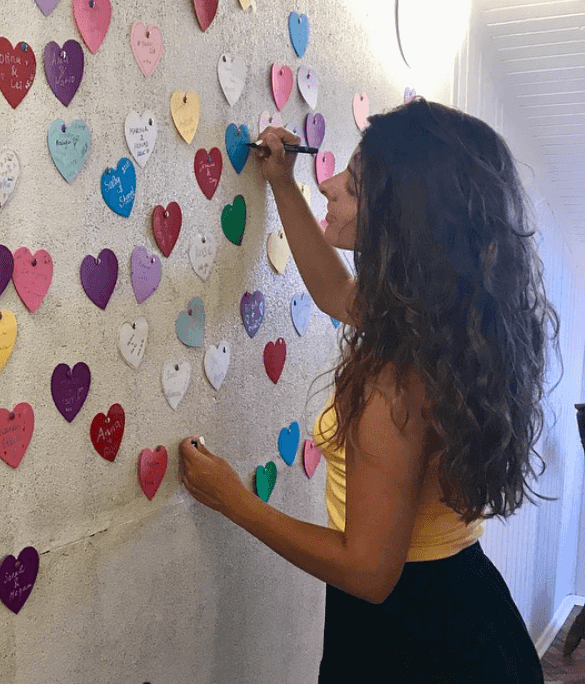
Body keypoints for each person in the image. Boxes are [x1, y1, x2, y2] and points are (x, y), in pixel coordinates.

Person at [178, 99, 553, 682]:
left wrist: (235, 500)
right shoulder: (435, 324)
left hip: (416, 644)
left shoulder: (397, 381)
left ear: (404, 223)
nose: (328, 185)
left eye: (352, 187)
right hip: (465, 609)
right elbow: (335, 291)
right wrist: (282, 184)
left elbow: (369, 573)